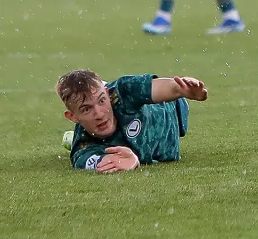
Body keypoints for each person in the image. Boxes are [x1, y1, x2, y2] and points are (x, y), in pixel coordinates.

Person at [57, 69, 208, 172]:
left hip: (173, 108)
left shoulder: (123, 91)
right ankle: (76, 136)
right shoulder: (82, 151)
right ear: (73, 117)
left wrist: (184, 90)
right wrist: (130, 160)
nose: (99, 114)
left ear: (108, 94)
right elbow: (100, 161)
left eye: (102, 101)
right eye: (86, 109)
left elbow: (163, 87)